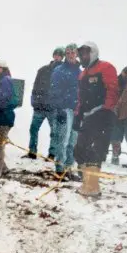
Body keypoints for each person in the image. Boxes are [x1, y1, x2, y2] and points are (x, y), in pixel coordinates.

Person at [73, 42, 119, 198]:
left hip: (104, 115)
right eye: (81, 54)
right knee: (79, 149)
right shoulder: (82, 74)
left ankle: (92, 187)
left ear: (93, 53)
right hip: (88, 117)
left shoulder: (106, 67)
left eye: (86, 53)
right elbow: (80, 97)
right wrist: (78, 114)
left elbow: (113, 90)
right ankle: (86, 182)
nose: (83, 57)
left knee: (95, 150)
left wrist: (105, 109)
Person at [49, 44, 81, 178]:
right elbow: (54, 90)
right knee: (63, 139)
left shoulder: (80, 72)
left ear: (76, 54)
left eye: (72, 53)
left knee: (73, 140)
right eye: (67, 53)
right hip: (64, 109)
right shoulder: (59, 70)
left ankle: (69, 166)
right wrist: (59, 107)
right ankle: (59, 167)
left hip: (77, 110)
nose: (70, 55)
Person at [26, 47, 64, 159]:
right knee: (33, 129)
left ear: (62, 57)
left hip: (53, 108)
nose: (57, 56)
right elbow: (35, 86)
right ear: (53, 55)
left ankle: (52, 154)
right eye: (56, 54)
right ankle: (32, 152)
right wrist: (33, 101)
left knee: (54, 132)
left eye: (60, 55)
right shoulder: (43, 70)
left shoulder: (63, 72)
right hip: (39, 107)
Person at [110, 67, 127, 166]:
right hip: (116, 113)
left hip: (126, 114)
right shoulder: (116, 82)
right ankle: (115, 155)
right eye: (125, 73)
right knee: (115, 136)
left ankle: (115, 155)